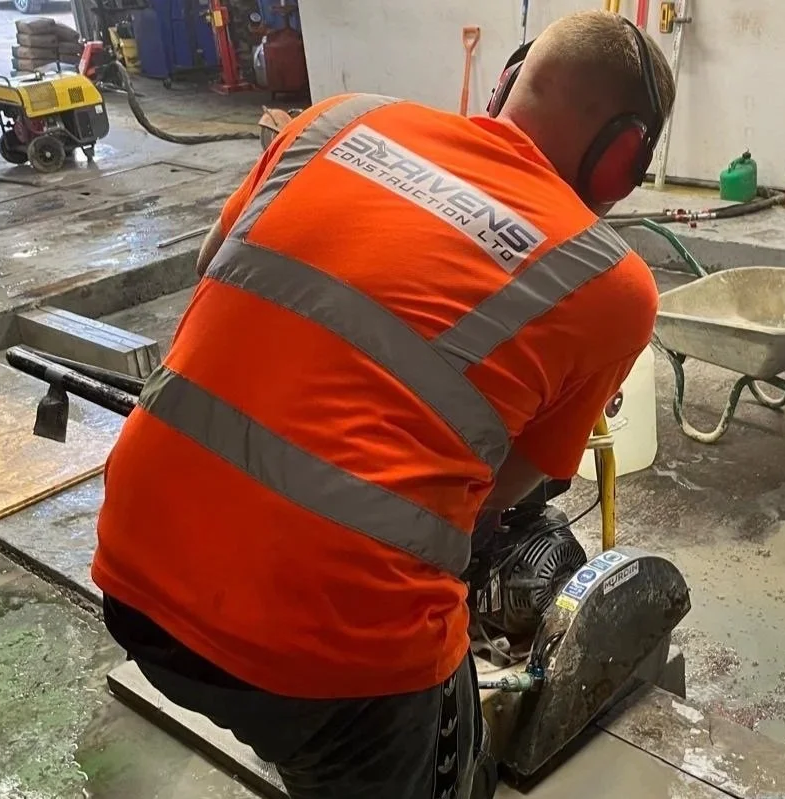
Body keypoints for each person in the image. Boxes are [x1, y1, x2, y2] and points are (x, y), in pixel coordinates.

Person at [92, 9, 676, 799]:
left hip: (134, 578)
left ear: (507, 81)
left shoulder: (335, 119)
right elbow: (502, 494)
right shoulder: (611, 283)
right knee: (446, 755)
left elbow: (213, 267)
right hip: (335, 664)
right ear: (621, 161)